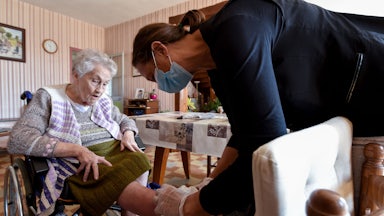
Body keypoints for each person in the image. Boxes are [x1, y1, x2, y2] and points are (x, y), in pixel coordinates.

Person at [131, 0, 384, 215]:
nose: (161, 85)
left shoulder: (236, 27)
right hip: (338, 109)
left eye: (154, 76)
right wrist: (206, 185)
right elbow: (243, 134)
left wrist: (190, 206)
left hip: (370, 84)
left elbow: (264, 139)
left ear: (159, 49)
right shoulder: (216, 68)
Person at [7, 48, 157, 216]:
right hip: (77, 161)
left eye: (105, 84)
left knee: (140, 160)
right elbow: (18, 139)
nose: (100, 90)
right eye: (95, 81)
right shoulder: (49, 97)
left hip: (114, 150)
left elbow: (124, 120)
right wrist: (76, 150)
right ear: (76, 75)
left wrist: (128, 133)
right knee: (117, 177)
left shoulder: (103, 101)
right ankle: (164, 207)